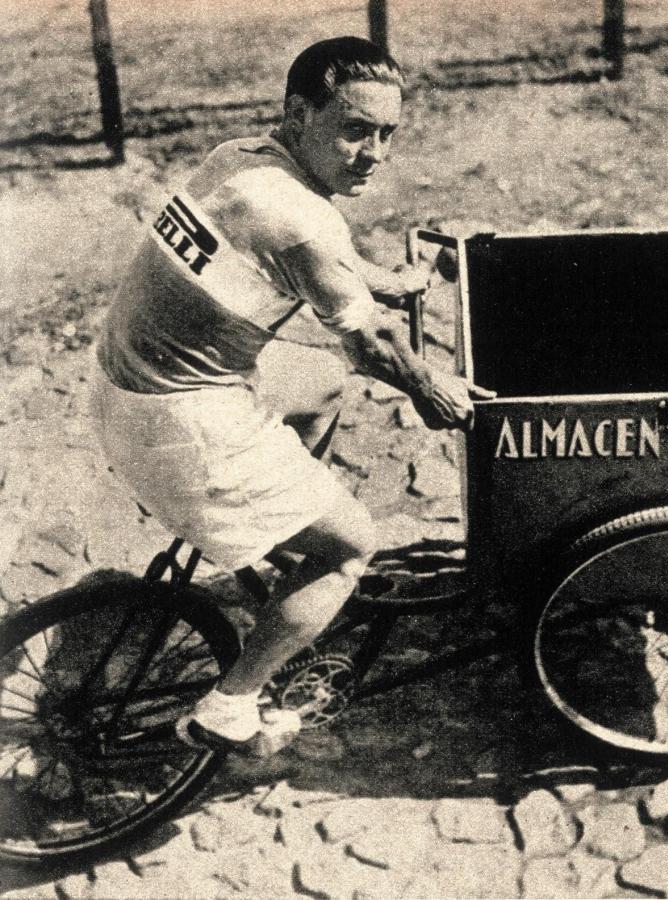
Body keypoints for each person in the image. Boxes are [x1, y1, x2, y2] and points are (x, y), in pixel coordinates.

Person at [91, 36, 493, 754]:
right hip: (173, 421)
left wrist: (392, 280)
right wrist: (433, 389)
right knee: (350, 546)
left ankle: (276, 533)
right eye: (354, 130)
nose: (374, 153)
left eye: (386, 133)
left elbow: (309, 260)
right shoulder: (301, 215)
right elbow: (368, 345)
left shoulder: (238, 158)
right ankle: (229, 705)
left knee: (323, 383)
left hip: (125, 383)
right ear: (298, 113)